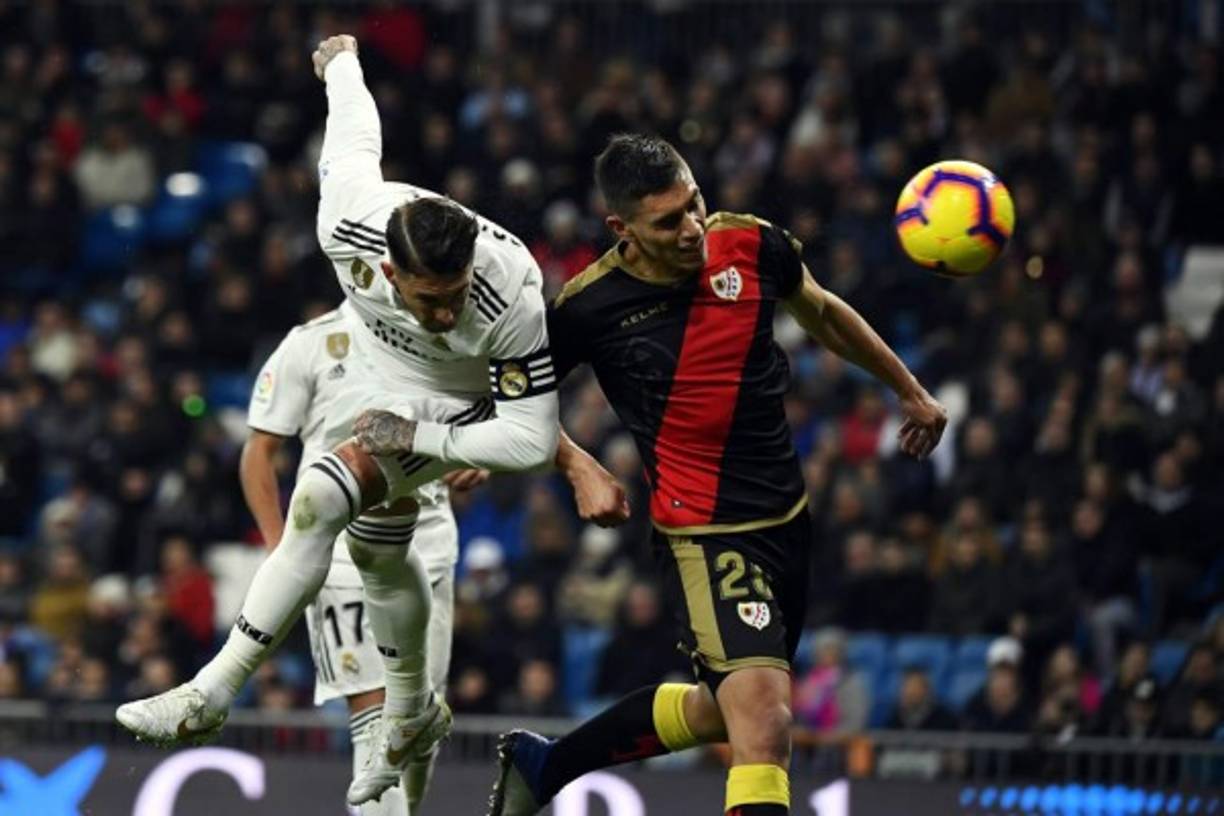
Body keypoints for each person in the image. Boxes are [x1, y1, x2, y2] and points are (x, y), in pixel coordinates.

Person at [118, 35, 620, 808]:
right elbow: (355, 135)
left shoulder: (511, 289)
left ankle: (212, 691)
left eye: (456, 294)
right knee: (376, 550)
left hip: (449, 409)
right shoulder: (348, 223)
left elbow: (525, 436)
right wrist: (342, 62)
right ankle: (410, 709)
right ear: (389, 272)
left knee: (322, 495)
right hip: (386, 393)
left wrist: (425, 438)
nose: (447, 312)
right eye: (430, 299)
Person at [489, 134, 946, 816]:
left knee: (720, 708)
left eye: (694, 204)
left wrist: (908, 389)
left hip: (787, 520)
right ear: (621, 229)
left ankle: (547, 764)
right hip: (704, 533)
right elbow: (512, 398)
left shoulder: (751, 243)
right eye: (667, 222)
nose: (692, 228)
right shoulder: (589, 306)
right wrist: (579, 465)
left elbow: (820, 309)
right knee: (765, 722)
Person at [238, 304, 485, 815]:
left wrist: (478, 458)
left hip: (430, 543)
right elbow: (259, 450)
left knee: (420, 722)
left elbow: (487, 425)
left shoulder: (443, 338)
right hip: (340, 552)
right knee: (376, 712)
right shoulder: (311, 343)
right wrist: (285, 551)